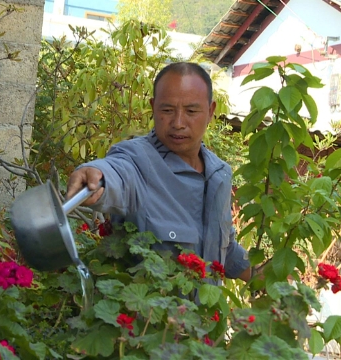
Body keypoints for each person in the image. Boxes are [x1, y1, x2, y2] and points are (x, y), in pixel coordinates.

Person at [65, 62, 252, 282]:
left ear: (211, 111)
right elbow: (116, 171)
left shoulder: (220, 174)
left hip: (203, 317)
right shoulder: (137, 160)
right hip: (149, 314)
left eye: (191, 111)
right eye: (167, 110)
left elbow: (223, 250)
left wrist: (264, 279)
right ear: (153, 107)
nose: (178, 123)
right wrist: (95, 175)